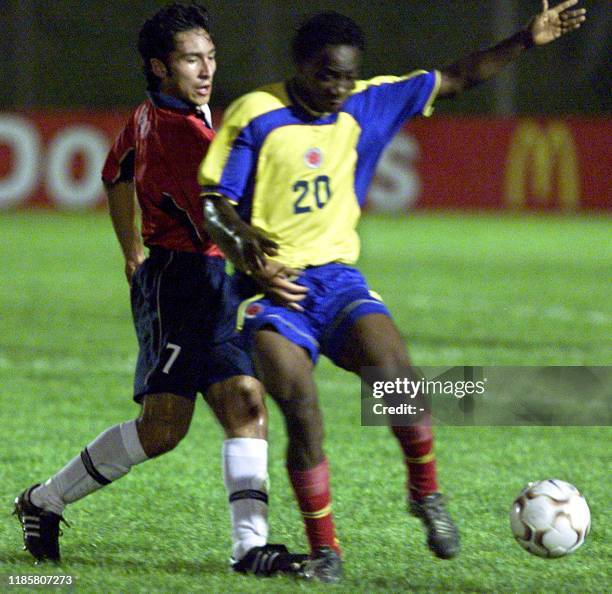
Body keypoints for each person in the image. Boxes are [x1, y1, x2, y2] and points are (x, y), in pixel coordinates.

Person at [198, 1, 586, 583]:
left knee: (394, 374)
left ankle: (424, 493)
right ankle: (325, 551)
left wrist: (526, 40)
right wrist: (243, 241)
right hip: (269, 290)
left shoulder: (369, 101)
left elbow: (457, 77)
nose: (338, 87)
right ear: (300, 65)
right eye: (326, 73)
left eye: (347, 75)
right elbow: (213, 202)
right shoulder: (257, 113)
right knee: (302, 411)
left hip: (335, 278)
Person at [13, 3, 308, 576]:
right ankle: (42, 500)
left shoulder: (156, 116)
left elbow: (115, 171)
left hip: (208, 282)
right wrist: (265, 268)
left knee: (245, 402)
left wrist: (129, 249)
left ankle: (250, 549)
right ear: (158, 67)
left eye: (211, 56)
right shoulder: (180, 136)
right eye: (191, 59)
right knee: (163, 429)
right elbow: (218, 221)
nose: (206, 69)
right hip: (179, 286)